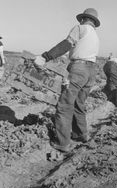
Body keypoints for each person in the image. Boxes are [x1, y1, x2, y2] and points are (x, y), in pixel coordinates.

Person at [34, 8, 100, 152]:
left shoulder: (80, 28)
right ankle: (81, 134)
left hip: (79, 69)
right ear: (94, 22)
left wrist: (45, 57)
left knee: (65, 105)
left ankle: (62, 143)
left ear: (83, 19)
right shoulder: (95, 35)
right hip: (91, 71)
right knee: (78, 104)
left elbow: (67, 44)